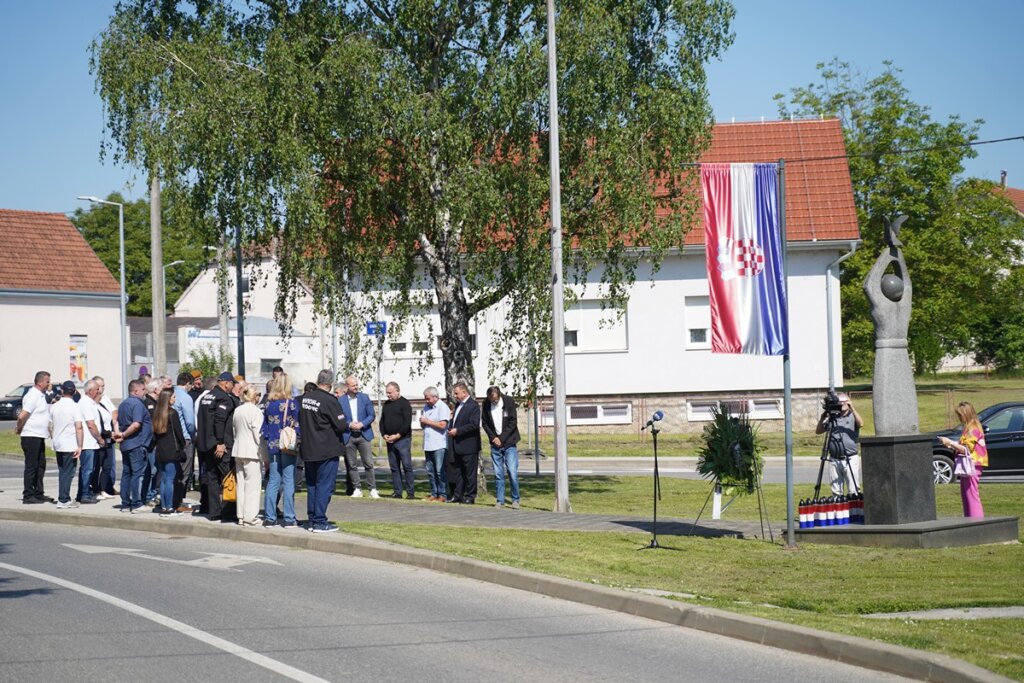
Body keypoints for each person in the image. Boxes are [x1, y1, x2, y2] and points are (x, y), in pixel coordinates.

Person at [298, 369, 348, 533]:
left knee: (312, 485)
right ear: (330, 383)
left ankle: (313, 519)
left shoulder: (306, 398)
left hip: (309, 448)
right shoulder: (329, 400)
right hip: (326, 448)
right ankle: (319, 521)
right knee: (324, 485)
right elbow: (341, 425)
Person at [195, 372, 237, 522]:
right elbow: (220, 421)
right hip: (219, 445)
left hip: (206, 444)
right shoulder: (223, 398)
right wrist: (220, 442)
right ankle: (228, 513)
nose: (233, 386)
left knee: (212, 478)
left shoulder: (206, 397)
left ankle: (214, 512)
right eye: (232, 384)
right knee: (228, 477)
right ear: (226, 383)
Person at [261, 373, 301, 528]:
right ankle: (289, 518)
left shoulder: (268, 404)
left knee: (273, 481)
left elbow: (264, 427)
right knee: (288, 480)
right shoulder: (291, 403)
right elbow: (297, 424)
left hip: (273, 444)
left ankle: (270, 517)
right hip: (287, 445)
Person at [939, 401, 988, 518]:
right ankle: (969, 519)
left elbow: (966, 449)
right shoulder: (970, 428)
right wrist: (951, 444)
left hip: (973, 464)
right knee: (966, 495)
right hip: (970, 464)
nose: (959, 418)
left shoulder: (973, 429)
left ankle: (976, 521)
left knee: (971, 495)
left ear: (966, 414)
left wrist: (950, 442)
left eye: (960, 415)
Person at [815, 391, 863, 496]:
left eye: (844, 401)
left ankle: (854, 506)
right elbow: (818, 431)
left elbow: (861, 424)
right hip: (834, 458)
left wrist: (853, 408)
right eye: (839, 402)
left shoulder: (852, 416)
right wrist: (823, 418)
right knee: (836, 491)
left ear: (848, 402)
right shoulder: (833, 418)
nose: (841, 404)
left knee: (853, 490)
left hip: (850, 457)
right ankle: (839, 505)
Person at [116, 379, 153, 513]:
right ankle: (137, 504)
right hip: (136, 443)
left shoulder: (123, 404)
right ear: (136, 391)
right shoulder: (137, 404)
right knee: (137, 474)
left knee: (127, 474)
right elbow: (136, 424)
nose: (145, 392)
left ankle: (126, 504)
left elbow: (116, 421)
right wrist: (124, 434)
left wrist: (121, 434)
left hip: (127, 445)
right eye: (143, 390)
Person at [339, 375, 379, 498]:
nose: (356, 387)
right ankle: (357, 488)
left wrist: (362, 424)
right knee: (351, 464)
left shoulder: (364, 397)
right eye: (353, 385)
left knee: (368, 463)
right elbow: (339, 417)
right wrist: (349, 424)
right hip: (348, 435)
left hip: (364, 434)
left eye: (357, 384)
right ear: (347, 386)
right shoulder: (340, 400)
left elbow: (371, 415)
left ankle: (372, 489)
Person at [481, 386, 521, 509]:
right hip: (495, 444)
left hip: (509, 442)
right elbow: (485, 423)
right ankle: (500, 500)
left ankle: (515, 499)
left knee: (512, 472)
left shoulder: (508, 401)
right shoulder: (486, 404)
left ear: (499, 395)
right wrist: (493, 438)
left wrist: (501, 438)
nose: (494, 402)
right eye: (491, 400)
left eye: (495, 400)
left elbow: (513, 422)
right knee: (498, 474)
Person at [16, 370, 52, 504]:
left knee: (40, 465)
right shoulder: (33, 395)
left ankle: (38, 493)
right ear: (40, 382)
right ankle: (28, 495)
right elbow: (22, 416)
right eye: (47, 381)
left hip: (39, 436)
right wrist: (19, 428)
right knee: (31, 466)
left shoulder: (41, 395)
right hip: (31, 436)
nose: (49, 384)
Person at [232, 384, 265, 526]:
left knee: (241, 484)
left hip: (238, 449)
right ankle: (250, 517)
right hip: (252, 451)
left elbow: (234, 430)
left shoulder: (238, 410)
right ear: (254, 396)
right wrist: (264, 454)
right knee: (253, 485)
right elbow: (258, 435)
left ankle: (241, 515)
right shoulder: (256, 411)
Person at [50, 381, 84, 509]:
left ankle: (64, 497)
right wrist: (80, 445)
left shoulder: (54, 406)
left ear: (62, 391)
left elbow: (50, 426)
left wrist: (54, 437)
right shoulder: (75, 407)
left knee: (62, 471)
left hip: (58, 442)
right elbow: (79, 427)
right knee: (68, 472)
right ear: (74, 392)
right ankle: (63, 499)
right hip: (69, 443)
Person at [153, 388, 187, 516]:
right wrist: (183, 445)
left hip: (160, 450)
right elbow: (179, 433)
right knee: (170, 479)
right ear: (168, 399)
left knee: (163, 479)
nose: (175, 399)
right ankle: (169, 507)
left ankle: (164, 506)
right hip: (172, 449)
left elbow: (154, 435)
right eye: (173, 397)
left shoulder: (157, 413)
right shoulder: (172, 413)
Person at [447, 381, 481, 504]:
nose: (455, 396)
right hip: (457, 444)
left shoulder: (473, 405)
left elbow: (474, 424)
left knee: (469, 473)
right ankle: (458, 495)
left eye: (456, 393)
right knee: (458, 472)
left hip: (469, 445)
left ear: (464, 392)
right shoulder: (458, 405)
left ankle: (470, 496)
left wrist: (458, 431)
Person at [381, 381, 414, 499]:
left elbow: (407, 423)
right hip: (390, 440)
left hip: (402, 439)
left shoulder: (405, 404)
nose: (388, 395)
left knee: (406, 466)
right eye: (387, 393)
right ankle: (398, 491)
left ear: (397, 391)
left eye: (390, 393)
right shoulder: (386, 404)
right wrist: (384, 434)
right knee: (394, 467)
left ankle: (410, 493)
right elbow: (382, 421)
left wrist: (398, 435)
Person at [419, 386, 450, 502]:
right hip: (428, 444)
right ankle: (434, 493)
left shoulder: (442, 407)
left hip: (439, 444)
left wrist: (427, 421)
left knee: (439, 471)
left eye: (428, 398)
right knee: (430, 471)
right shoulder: (426, 407)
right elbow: (424, 425)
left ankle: (442, 494)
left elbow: (442, 425)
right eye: (425, 399)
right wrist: (422, 422)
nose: (426, 401)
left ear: (435, 397)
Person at [76, 379, 104, 504]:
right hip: (88, 442)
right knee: (87, 470)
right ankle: (84, 494)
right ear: (90, 391)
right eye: (97, 389)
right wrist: (99, 438)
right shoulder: (85, 403)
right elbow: (91, 424)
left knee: (89, 469)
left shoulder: (90, 403)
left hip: (92, 443)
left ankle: (83, 493)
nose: (99, 391)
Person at [91, 375, 119, 499]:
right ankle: (95, 489)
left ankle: (105, 488)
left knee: (108, 465)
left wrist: (114, 423)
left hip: (109, 436)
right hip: (99, 437)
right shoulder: (91, 403)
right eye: (99, 386)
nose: (101, 389)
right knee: (97, 466)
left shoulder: (105, 398)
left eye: (103, 386)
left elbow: (114, 411)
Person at [174, 372, 197, 509]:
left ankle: (172, 500)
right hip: (185, 437)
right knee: (184, 471)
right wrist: (193, 435)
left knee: (173, 471)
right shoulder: (186, 397)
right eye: (191, 385)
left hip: (172, 438)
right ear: (187, 383)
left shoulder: (170, 394)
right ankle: (178, 501)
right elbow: (190, 422)